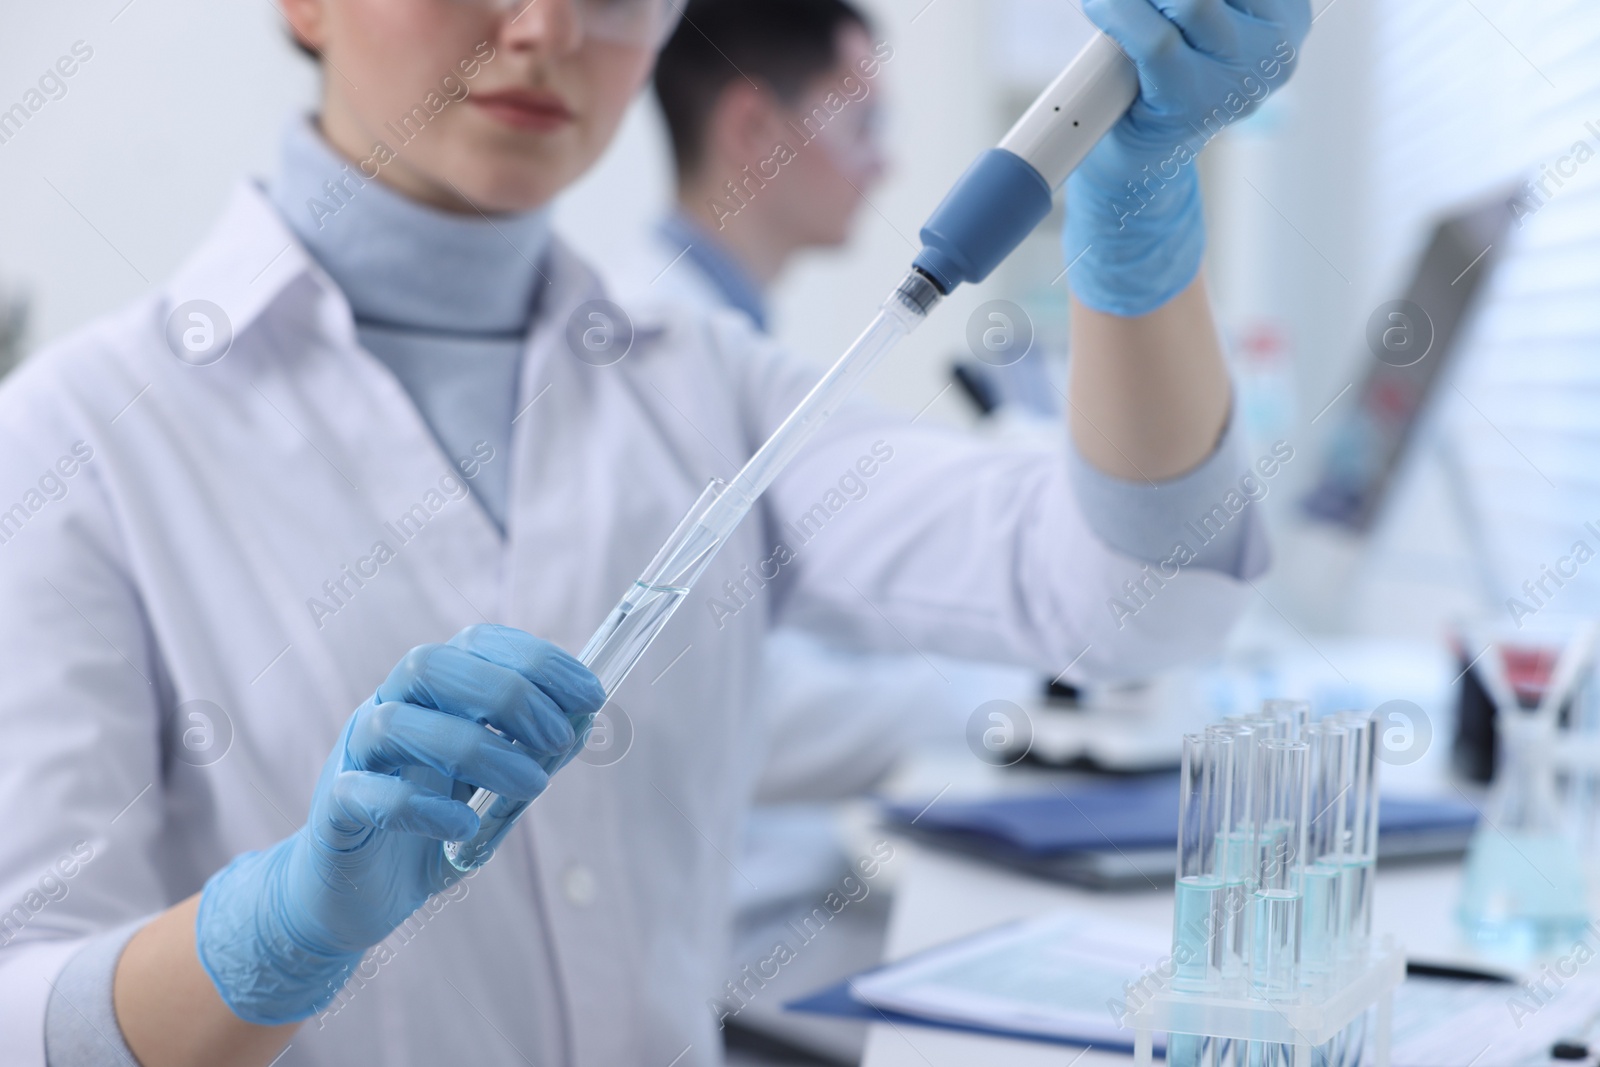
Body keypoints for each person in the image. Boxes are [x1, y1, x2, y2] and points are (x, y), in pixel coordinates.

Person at [0, 0, 1306, 1065]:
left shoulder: (704, 379)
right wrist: (275, 933)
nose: (549, 27)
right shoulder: (79, 434)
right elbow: (25, 1010)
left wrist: (1138, 225)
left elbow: (1141, 597)